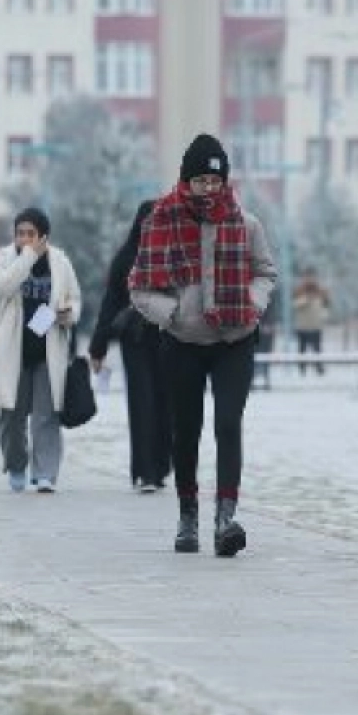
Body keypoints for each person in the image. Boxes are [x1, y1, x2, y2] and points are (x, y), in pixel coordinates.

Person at [129, 134, 277, 557]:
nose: (209, 188)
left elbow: (266, 272)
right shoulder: (160, 222)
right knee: (186, 431)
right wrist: (171, 312)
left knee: (228, 425)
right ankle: (188, 515)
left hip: (235, 338)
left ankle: (225, 519)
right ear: (186, 180)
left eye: (215, 180)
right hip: (183, 343)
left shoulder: (246, 224)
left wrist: (253, 301)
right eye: (200, 180)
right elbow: (138, 288)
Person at [0, 206, 82, 494]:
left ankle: (45, 473)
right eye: (20, 233)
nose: (24, 238)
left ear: (44, 236)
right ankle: (15, 465)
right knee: (11, 414)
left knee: (46, 415)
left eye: (31, 234)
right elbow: (2, 286)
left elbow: (74, 298)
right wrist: (27, 256)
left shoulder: (60, 261)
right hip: (14, 349)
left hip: (48, 349)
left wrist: (69, 313)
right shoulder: (6, 258)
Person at [88, 200, 170, 493]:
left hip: (169, 340)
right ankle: (146, 472)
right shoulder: (126, 257)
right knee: (142, 403)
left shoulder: (175, 256)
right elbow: (110, 304)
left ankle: (161, 467)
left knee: (167, 404)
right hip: (134, 340)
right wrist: (98, 347)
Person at [292, 270, 332, 375]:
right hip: (303, 325)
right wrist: (306, 299)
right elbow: (295, 304)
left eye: (312, 277)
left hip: (316, 325)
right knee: (302, 348)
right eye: (308, 277)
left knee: (317, 348)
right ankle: (302, 368)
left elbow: (326, 305)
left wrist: (324, 315)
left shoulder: (321, 290)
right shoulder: (299, 290)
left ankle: (319, 367)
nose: (310, 279)